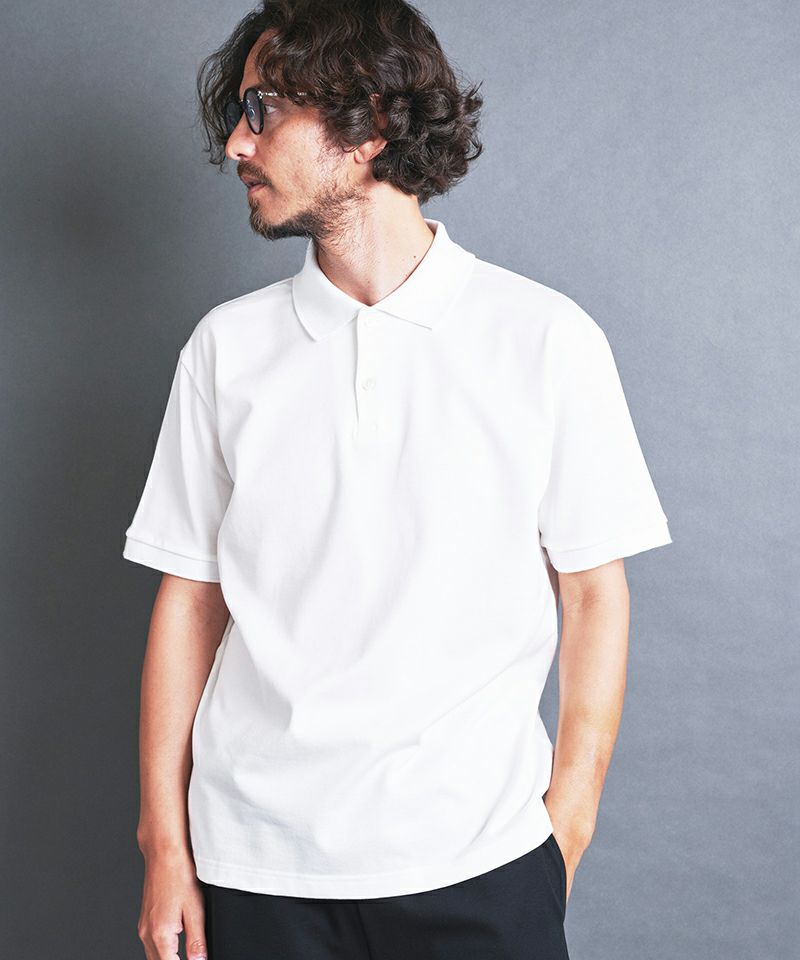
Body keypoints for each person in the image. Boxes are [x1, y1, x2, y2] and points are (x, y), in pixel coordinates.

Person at [123, 2, 672, 958]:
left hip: (480, 861)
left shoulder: (544, 338)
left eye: (262, 109)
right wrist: (164, 843)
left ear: (368, 120)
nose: (237, 143)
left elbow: (593, 591)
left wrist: (567, 826)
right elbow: (190, 599)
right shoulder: (225, 349)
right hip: (254, 868)